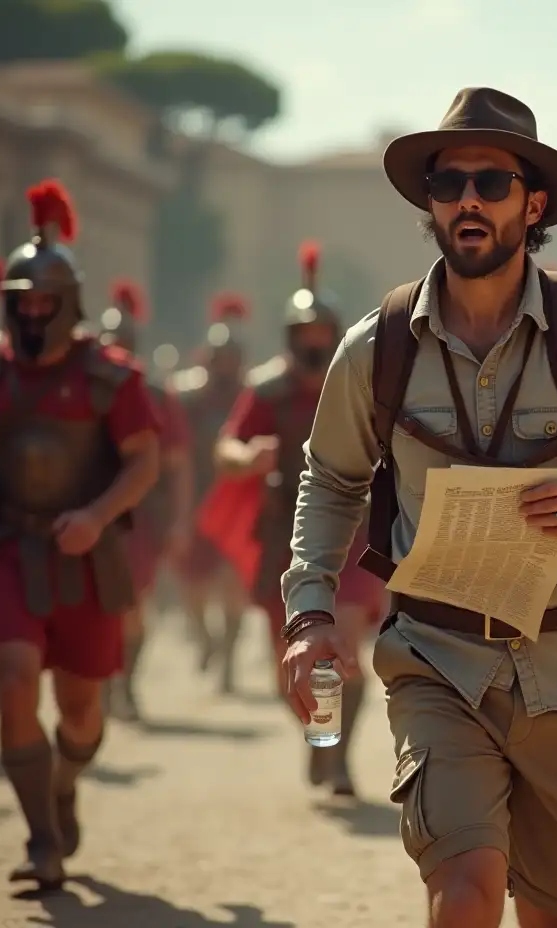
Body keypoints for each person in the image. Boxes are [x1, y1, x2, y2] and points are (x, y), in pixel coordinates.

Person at [277, 87, 557, 927]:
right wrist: (309, 616)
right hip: (436, 664)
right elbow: (330, 478)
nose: (468, 200)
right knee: (465, 894)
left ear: (534, 202)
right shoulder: (375, 348)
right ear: (430, 204)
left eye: (491, 181)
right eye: (448, 184)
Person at [0, 179, 160, 888]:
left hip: (87, 558)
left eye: (44, 302)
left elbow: (144, 460)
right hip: (5, 545)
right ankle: (41, 841)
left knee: (82, 712)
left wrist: (95, 516)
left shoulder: (109, 377)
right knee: (15, 674)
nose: (32, 312)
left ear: (68, 305)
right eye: (22, 301)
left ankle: (61, 788)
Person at [200, 241, 384, 794]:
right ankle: (319, 737)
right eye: (302, 334)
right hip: (286, 535)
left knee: (345, 645)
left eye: (320, 333)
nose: (312, 343)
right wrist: (245, 457)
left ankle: (341, 756)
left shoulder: (357, 384)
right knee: (290, 661)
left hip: (352, 531)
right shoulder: (268, 390)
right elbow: (225, 447)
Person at [96, 279, 193, 721]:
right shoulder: (84, 389)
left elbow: (176, 465)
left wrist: (179, 521)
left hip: (140, 519)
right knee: (94, 609)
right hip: (90, 514)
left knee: (133, 609)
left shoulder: (154, 396)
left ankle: (126, 685)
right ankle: (98, 684)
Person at [171, 295, 249, 691]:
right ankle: (205, 638)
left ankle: (229, 661)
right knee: (192, 585)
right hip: (197, 500)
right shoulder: (190, 399)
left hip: (235, 506)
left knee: (233, 588)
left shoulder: (251, 397)